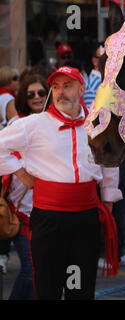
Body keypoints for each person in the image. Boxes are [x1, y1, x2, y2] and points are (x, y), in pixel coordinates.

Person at [0, 66, 122, 300]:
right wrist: (21, 173)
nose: (60, 92)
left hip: (86, 217)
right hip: (49, 218)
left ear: (81, 88)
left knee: (80, 286)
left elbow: (109, 163)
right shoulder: (34, 124)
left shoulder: (98, 123)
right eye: (56, 87)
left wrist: (108, 199)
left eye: (67, 85)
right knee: (48, 286)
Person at [2, 74, 50, 300]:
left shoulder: (57, 123)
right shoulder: (17, 124)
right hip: (23, 211)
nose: (37, 97)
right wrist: (22, 173)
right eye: (30, 94)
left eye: (41, 92)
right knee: (31, 271)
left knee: (44, 272)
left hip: (51, 211)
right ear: (24, 97)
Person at [83, 44, 104, 109]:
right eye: (103, 58)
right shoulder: (91, 84)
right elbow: (89, 114)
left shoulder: (106, 80)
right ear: (94, 61)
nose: (107, 61)